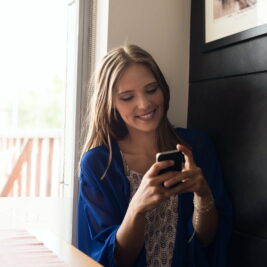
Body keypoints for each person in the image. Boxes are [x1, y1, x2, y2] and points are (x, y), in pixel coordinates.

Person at [77, 44, 232, 267]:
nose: (144, 103)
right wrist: (137, 207)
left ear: (163, 89)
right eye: (127, 97)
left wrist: (203, 195)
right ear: (110, 104)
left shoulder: (196, 146)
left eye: (151, 90)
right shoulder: (99, 164)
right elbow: (112, 259)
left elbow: (207, 242)